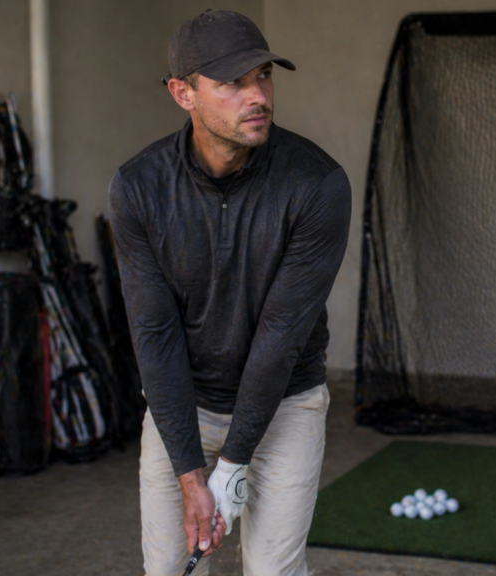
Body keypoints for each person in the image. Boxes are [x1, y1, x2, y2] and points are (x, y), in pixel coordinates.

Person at [108, 9, 351, 576]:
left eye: (263, 76)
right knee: (170, 568)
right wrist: (193, 474)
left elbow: (281, 336)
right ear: (182, 93)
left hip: (287, 402)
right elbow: (154, 333)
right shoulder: (139, 188)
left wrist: (234, 461)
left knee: (272, 571)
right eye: (232, 83)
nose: (257, 95)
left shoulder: (317, 184)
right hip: (185, 404)